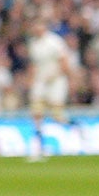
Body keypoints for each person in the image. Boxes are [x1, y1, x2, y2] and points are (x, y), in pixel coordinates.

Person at [23, 16, 76, 162]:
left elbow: (64, 62)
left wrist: (55, 75)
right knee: (37, 113)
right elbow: (34, 65)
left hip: (56, 81)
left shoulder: (54, 41)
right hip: (41, 81)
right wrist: (31, 79)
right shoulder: (34, 44)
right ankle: (39, 148)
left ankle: (77, 128)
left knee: (57, 116)